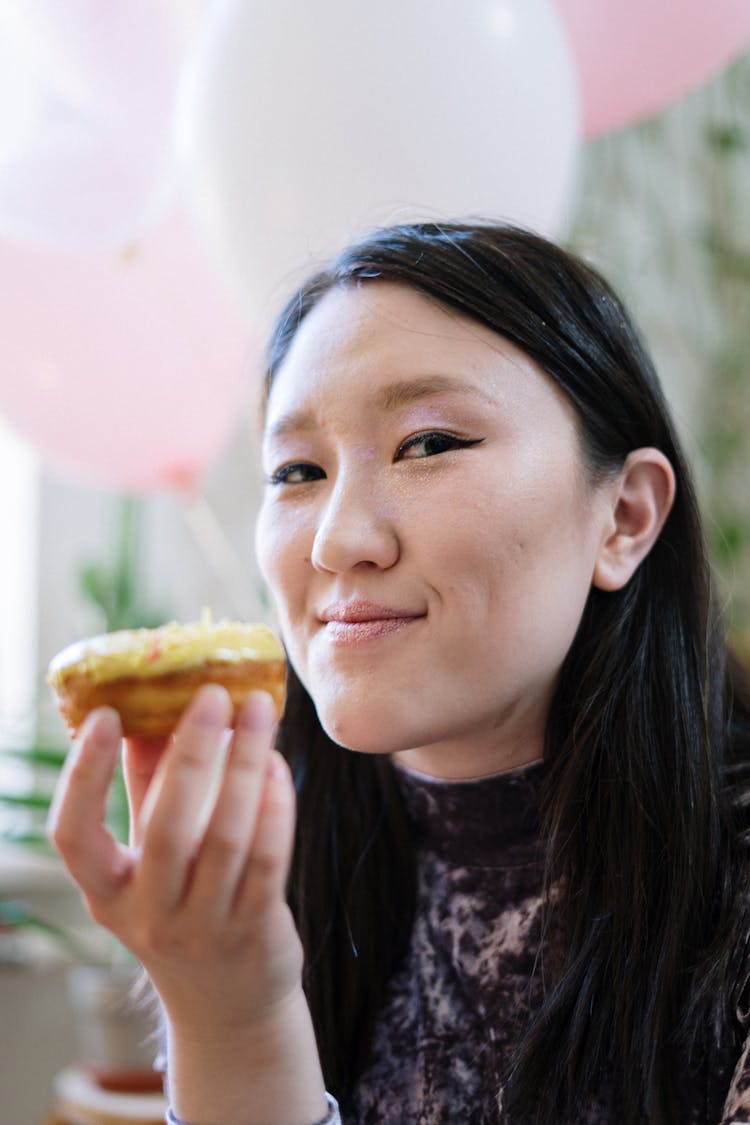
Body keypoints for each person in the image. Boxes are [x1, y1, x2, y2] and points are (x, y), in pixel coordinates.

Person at [50, 221, 750, 1125]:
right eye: (296, 470)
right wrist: (232, 1020)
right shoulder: (259, 889)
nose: (340, 539)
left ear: (623, 516)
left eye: (428, 445)